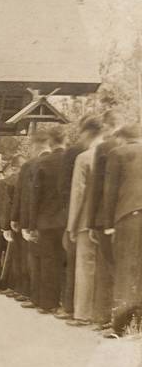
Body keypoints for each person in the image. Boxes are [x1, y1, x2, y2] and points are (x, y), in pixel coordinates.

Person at [102, 124, 142, 337]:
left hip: (129, 218)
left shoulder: (118, 153)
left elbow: (110, 192)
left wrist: (108, 225)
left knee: (125, 272)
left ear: (122, 138)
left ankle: (121, 327)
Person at [65, 117, 104, 326]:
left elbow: (78, 194)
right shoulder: (113, 153)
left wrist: (72, 225)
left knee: (85, 268)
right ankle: (103, 315)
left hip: (85, 222)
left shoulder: (84, 157)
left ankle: (83, 314)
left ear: (87, 133)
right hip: (109, 221)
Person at [87, 109, 124, 330]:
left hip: (106, 218)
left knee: (107, 268)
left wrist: (91, 222)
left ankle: (107, 318)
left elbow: (96, 188)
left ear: (106, 126)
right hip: (130, 215)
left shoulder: (104, 148)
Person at [11, 130, 51, 309]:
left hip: (34, 220)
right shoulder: (64, 160)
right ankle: (52, 300)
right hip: (58, 221)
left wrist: (17, 219)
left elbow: (23, 196)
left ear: (35, 145)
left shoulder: (30, 165)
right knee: (54, 261)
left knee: (34, 260)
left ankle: (35, 297)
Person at [29, 126, 67, 314]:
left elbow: (35, 196)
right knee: (67, 262)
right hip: (67, 220)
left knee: (48, 262)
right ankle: (66, 303)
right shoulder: (72, 159)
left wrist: (32, 224)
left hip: (45, 221)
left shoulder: (42, 163)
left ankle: (48, 303)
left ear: (50, 142)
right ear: (65, 140)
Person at [0, 155, 26, 297]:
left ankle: (14, 287)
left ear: (13, 167)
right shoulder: (29, 179)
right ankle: (24, 289)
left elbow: (6, 206)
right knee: (26, 257)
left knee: (15, 256)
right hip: (28, 223)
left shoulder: (7, 182)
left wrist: (6, 227)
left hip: (14, 223)